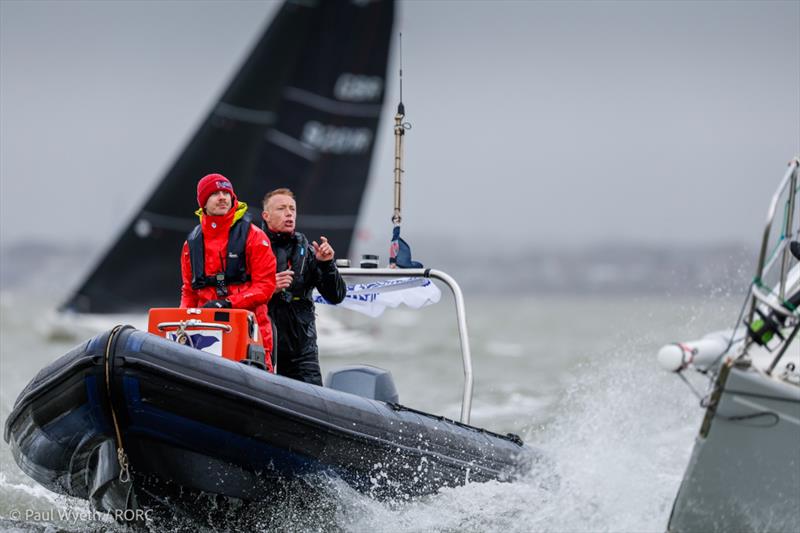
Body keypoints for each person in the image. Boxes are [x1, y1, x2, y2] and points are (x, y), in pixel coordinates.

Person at [180, 173, 277, 370]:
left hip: (249, 332)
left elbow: (265, 287)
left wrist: (228, 303)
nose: (222, 197)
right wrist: (180, 322)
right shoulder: (192, 244)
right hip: (205, 333)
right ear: (203, 202)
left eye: (226, 193)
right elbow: (189, 291)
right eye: (215, 193)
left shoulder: (254, 237)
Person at [261, 188, 346, 385]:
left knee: (312, 394)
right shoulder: (253, 249)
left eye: (292, 209)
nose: (288, 213)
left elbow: (336, 296)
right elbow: (234, 292)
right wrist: (269, 287)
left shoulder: (308, 252)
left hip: (301, 348)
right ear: (266, 215)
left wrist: (326, 264)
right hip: (262, 343)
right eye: (281, 208)